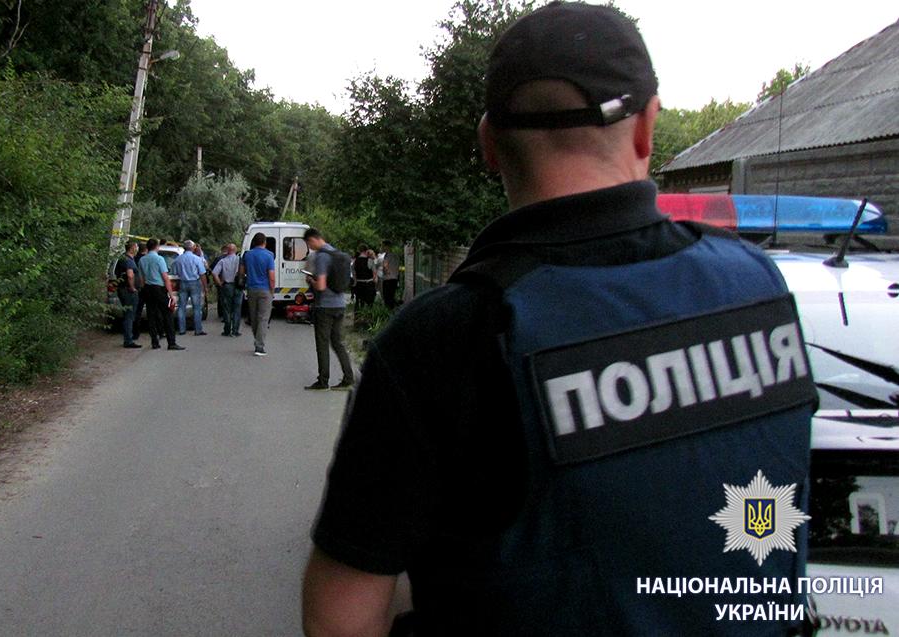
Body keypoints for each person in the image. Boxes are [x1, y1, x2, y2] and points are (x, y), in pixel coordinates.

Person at [302, 4, 816, 636]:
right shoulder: (756, 281)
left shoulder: (441, 341)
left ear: (489, 145)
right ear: (646, 129)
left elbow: (340, 618)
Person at [302, 228, 353, 391]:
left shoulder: (321, 257)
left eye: (309, 243)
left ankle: (323, 381)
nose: (310, 247)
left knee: (322, 344)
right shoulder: (336, 253)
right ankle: (348, 378)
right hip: (340, 304)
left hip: (325, 306)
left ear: (313, 239)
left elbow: (321, 285)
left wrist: (311, 280)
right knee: (338, 342)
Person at [138, 238, 184, 351]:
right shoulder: (159, 259)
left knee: (151, 315)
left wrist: (144, 288)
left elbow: (141, 278)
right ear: (157, 247)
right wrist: (171, 294)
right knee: (167, 314)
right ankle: (171, 342)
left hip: (148, 288)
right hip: (159, 288)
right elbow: (165, 277)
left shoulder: (142, 260)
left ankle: (154, 342)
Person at [240, 232, 275, 356]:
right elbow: (271, 276)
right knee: (264, 318)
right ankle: (259, 346)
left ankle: (257, 339)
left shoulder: (247, 255)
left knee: (254, 317)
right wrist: (273, 290)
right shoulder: (269, 255)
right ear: (264, 242)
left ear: (254, 242)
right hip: (265, 289)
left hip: (251, 289)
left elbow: (241, 272)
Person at [172, 240, 208, 336]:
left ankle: (182, 330)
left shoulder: (178, 259)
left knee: (181, 307)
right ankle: (198, 330)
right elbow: (202, 274)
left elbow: (174, 273)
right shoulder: (197, 259)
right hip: (194, 283)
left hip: (182, 283)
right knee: (197, 307)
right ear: (193, 248)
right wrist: (205, 287)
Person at [113, 241, 143, 349]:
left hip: (123, 289)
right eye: (136, 247)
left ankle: (128, 338)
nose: (137, 249)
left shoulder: (124, 258)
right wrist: (132, 287)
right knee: (129, 316)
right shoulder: (128, 260)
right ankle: (128, 340)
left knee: (128, 315)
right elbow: (130, 275)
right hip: (128, 291)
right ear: (132, 248)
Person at [212, 243, 242, 337]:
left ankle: (227, 329)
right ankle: (235, 331)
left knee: (227, 309)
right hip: (238, 286)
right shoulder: (239, 260)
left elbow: (214, 273)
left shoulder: (222, 261)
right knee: (237, 309)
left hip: (227, 286)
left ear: (228, 250)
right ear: (235, 250)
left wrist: (219, 283)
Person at [380, 241, 400, 309]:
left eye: (382, 246)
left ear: (386, 246)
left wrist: (386, 272)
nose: (381, 247)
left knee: (387, 298)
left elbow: (385, 266)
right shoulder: (396, 255)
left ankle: (388, 314)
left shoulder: (387, 255)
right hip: (394, 278)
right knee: (392, 297)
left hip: (388, 279)